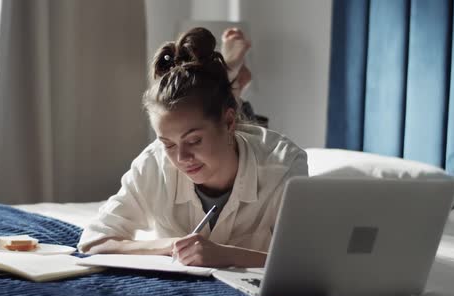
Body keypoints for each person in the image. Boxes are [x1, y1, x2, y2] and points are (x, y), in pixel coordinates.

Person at [77, 27, 307, 268]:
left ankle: (233, 77)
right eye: (167, 143)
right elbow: (93, 242)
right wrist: (171, 246)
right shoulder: (155, 162)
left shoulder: (284, 166)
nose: (181, 157)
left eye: (194, 140)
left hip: (241, 130)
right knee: (216, 109)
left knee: (239, 114)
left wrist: (227, 256)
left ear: (229, 123)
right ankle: (232, 79)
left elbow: (307, 265)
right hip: (221, 116)